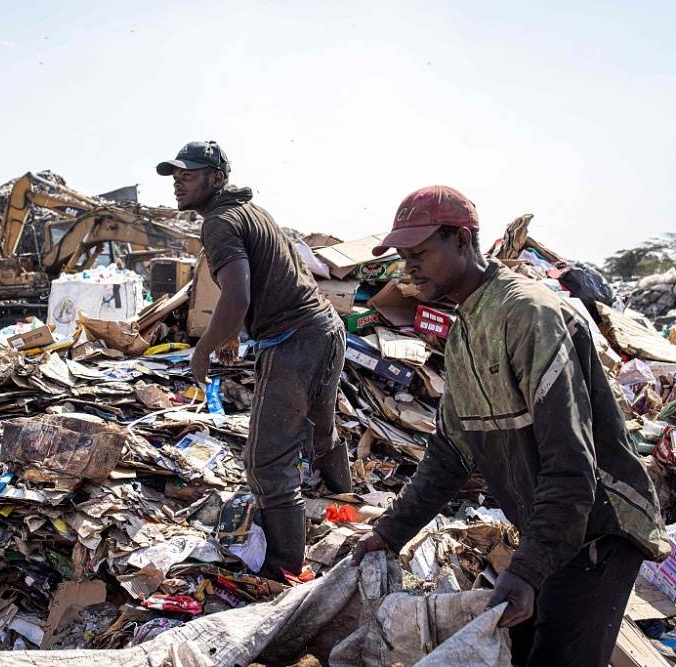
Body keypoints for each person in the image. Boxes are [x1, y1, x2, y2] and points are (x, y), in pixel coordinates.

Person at [351, 184, 670, 666]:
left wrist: (526, 570)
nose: (408, 266)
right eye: (402, 255)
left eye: (419, 252)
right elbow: (450, 454)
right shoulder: (463, 335)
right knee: (518, 650)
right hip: (555, 525)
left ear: (461, 240)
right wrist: (391, 531)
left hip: (599, 525)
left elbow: (571, 463)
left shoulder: (529, 314)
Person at [156, 141, 351, 581]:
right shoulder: (250, 210)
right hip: (324, 329)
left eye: (188, 175)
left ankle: (282, 577)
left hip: (294, 344)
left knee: (267, 464)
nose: (178, 183)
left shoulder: (219, 222)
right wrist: (234, 334)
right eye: (175, 176)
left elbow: (239, 293)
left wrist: (204, 346)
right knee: (322, 433)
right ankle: (351, 509)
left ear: (217, 178)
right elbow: (264, 280)